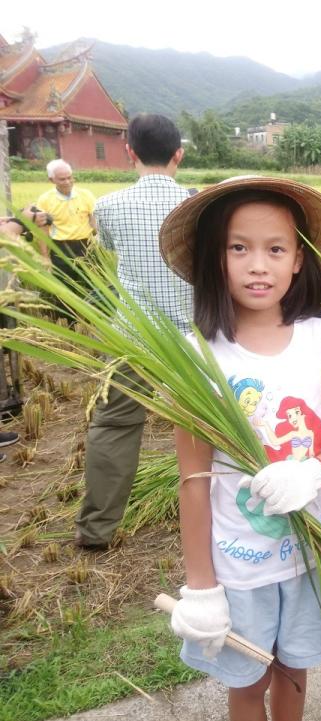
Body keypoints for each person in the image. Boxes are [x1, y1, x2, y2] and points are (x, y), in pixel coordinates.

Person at [158, 176, 321, 720]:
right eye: (239, 248)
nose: (258, 265)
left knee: (294, 669)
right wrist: (201, 586)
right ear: (215, 257)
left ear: (299, 259)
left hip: (311, 553)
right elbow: (194, 479)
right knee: (248, 681)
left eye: (275, 249)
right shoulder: (197, 358)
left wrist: (314, 472)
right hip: (239, 566)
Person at [74, 113, 193, 550]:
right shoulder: (198, 204)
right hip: (193, 340)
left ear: (129, 153)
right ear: (178, 154)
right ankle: (223, 517)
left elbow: (105, 250)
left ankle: (96, 530)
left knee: (115, 426)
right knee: (213, 426)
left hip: (133, 338)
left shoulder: (107, 207)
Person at [32, 159, 96, 270]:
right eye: (62, 179)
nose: (67, 182)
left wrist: (101, 239)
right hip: (61, 248)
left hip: (87, 246)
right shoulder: (45, 200)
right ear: (52, 180)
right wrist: (45, 256)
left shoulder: (86, 195)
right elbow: (43, 230)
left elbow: (94, 220)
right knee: (66, 283)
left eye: (69, 177)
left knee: (92, 284)